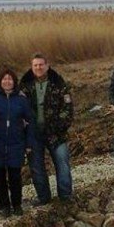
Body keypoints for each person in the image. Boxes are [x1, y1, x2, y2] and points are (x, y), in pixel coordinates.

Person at [19, 53, 74, 205]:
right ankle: (43, 197)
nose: (38, 67)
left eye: (41, 64)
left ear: (47, 66)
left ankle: (65, 195)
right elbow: (19, 110)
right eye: (35, 65)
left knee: (62, 163)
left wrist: (56, 127)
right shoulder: (25, 85)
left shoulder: (59, 84)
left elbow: (68, 110)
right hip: (33, 135)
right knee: (36, 167)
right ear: (32, 67)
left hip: (56, 134)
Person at [0, 68, 36, 216]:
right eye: (4, 79)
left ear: (14, 82)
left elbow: (30, 121)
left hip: (16, 143)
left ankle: (17, 204)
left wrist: (29, 144)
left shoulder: (21, 99)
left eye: (10, 79)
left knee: (15, 176)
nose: (7, 82)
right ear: (0, 82)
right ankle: (5, 205)